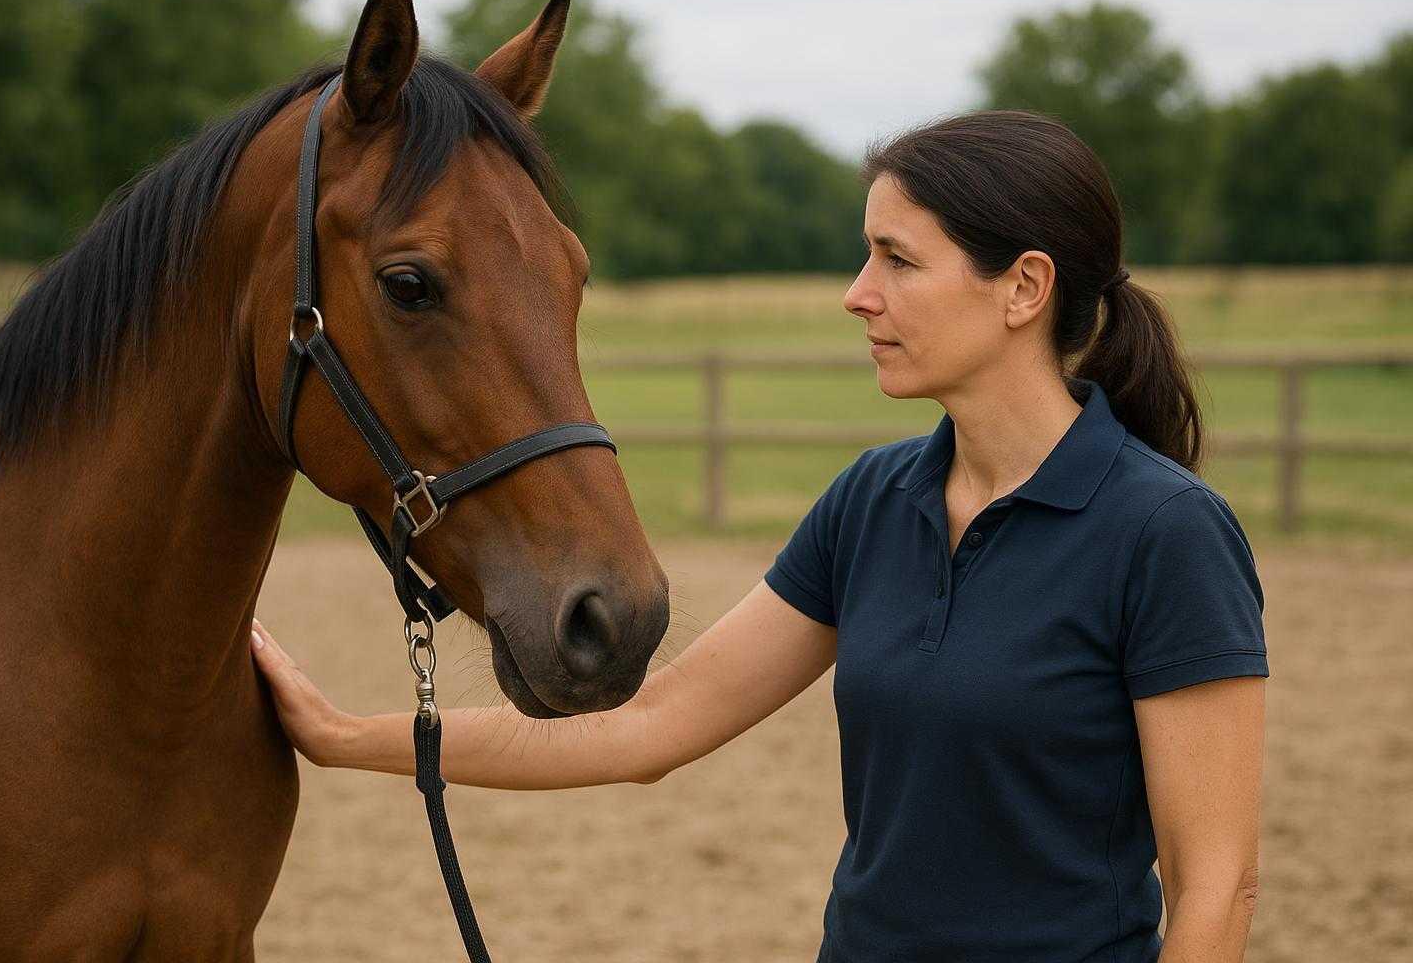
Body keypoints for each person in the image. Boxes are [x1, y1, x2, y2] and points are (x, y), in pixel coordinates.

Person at [251, 109, 1268, 963]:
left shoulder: (1164, 534)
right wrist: (351, 737)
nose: (856, 292)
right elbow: (650, 725)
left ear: (1023, 288)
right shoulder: (873, 502)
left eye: (897, 260)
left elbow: (1214, 889)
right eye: (866, 253)